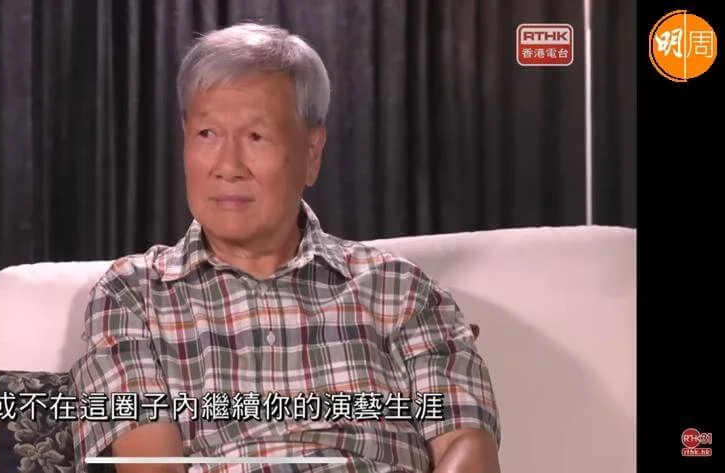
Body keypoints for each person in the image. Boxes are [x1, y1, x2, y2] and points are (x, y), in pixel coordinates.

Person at [71, 22, 501, 473]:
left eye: (255, 137)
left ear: (312, 152)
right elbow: (151, 465)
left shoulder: (399, 290)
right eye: (207, 134)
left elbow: (466, 443)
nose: (228, 166)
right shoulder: (132, 295)